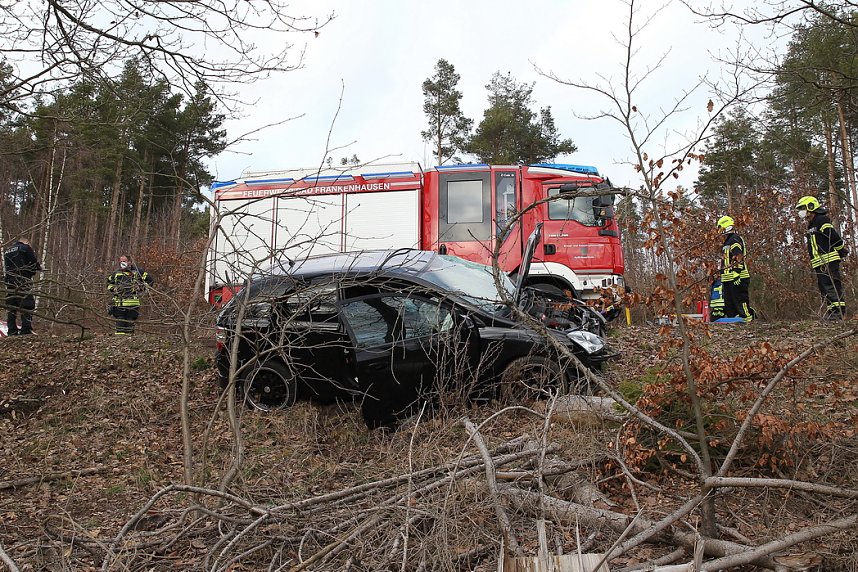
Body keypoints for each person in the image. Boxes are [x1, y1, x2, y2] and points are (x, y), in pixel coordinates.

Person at [796, 196, 848, 320]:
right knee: (824, 289)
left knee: (832, 287)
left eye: (803, 208)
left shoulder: (821, 220)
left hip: (828, 260)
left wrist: (841, 249)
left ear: (811, 207)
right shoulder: (811, 224)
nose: (801, 211)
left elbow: (833, 236)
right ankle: (832, 312)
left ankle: (838, 314)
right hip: (819, 262)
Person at [717, 215, 755, 322]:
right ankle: (733, 321)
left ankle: (747, 319)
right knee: (729, 304)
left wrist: (737, 273)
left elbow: (738, 256)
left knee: (740, 300)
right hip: (728, 279)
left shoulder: (734, 239)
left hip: (737, 278)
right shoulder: (727, 242)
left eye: (720, 227)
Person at [3, 237, 42, 335]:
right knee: (27, 304)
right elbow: (33, 262)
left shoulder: (7, 250)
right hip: (23, 280)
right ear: (26, 242)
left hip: (10, 281)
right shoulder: (25, 248)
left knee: (12, 306)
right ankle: (26, 329)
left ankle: (11, 330)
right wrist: (36, 270)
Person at [107, 255, 154, 334]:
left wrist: (141, 288)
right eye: (121, 261)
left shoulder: (137, 272)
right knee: (120, 324)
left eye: (124, 261)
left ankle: (129, 342)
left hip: (132, 304)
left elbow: (150, 281)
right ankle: (119, 342)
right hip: (119, 304)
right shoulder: (116, 273)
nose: (122, 263)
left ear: (130, 262)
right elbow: (108, 284)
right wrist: (114, 289)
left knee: (130, 324)